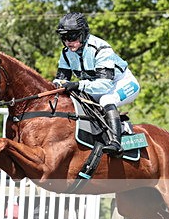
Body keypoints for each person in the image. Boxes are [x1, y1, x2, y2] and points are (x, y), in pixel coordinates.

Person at [52, 12, 140, 155]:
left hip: (123, 84)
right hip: (96, 86)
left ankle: (116, 142)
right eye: (64, 37)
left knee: (107, 99)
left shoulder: (101, 49)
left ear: (83, 34)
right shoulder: (66, 53)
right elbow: (61, 80)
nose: (68, 41)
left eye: (72, 36)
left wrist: (78, 85)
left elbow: (105, 85)